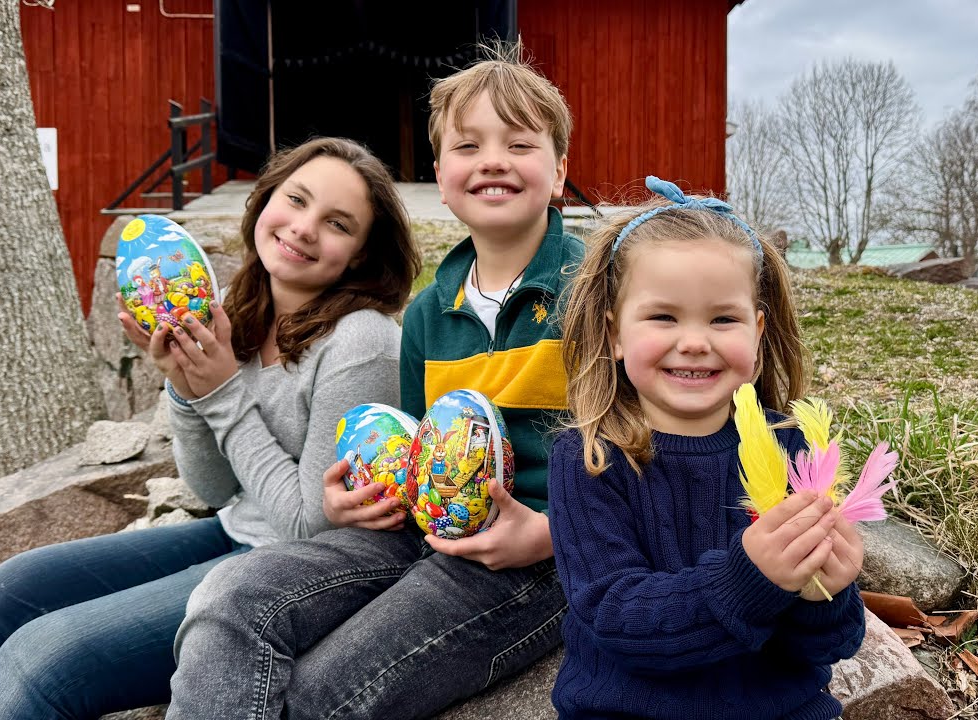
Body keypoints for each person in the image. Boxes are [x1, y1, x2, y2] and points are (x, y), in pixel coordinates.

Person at [166, 47, 581, 719]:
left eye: (520, 143)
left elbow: (640, 448)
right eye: (467, 145)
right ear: (440, 177)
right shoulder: (426, 314)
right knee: (230, 600)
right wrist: (360, 495)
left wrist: (552, 532)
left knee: (321, 698)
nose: (493, 159)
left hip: (543, 561)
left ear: (559, 171)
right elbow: (425, 456)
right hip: (432, 536)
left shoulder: (592, 295)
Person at [0, 137, 420, 720]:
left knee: (43, 658)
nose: (304, 228)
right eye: (296, 200)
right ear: (265, 199)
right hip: (234, 531)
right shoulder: (236, 308)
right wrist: (183, 385)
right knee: (5, 596)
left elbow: (309, 525)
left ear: (358, 254)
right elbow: (212, 490)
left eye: (336, 223)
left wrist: (221, 393)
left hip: (293, 574)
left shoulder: (362, 342)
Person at [549, 176, 867, 719]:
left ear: (758, 334)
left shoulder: (791, 451)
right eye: (663, 316)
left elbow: (829, 647)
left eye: (723, 319)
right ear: (615, 334)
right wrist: (753, 579)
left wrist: (825, 596)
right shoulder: (589, 461)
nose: (695, 340)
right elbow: (618, 621)